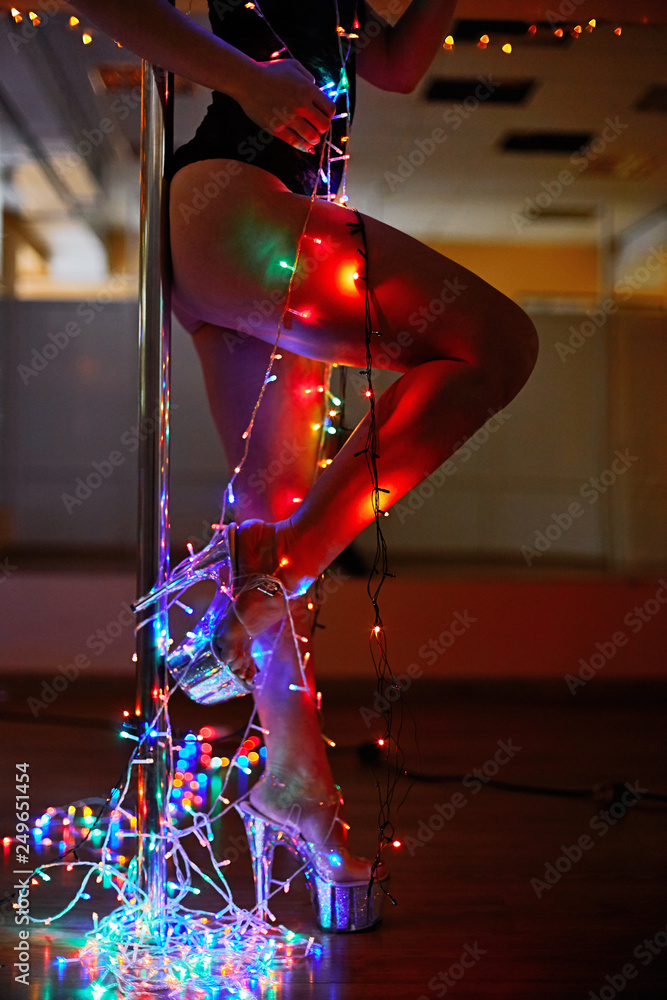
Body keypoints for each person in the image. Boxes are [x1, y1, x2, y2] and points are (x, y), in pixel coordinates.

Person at [71, 0, 539, 931]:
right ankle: (254, 594)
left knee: (272, 492)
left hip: (242, 214)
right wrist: (243, 76)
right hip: (235, 192)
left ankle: (298, 783)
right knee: (493, 343)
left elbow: (396, 65)